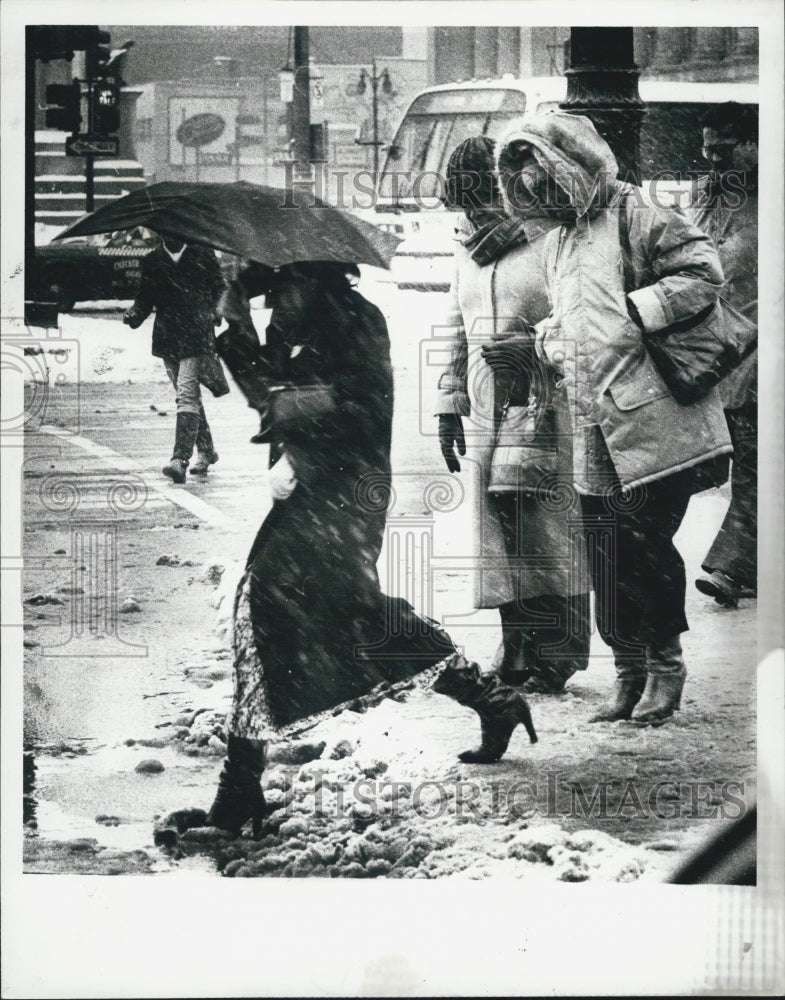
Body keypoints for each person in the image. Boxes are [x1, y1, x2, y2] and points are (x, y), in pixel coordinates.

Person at [204, 262, 538, 835]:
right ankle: (491, 699)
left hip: (347, 492)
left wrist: (296, 439)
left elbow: (363, 411)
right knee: (337, 613)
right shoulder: (295, 321)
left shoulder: (358, 321)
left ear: (316, 276)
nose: (273, 297)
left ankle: (239, 790)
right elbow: (268, 395)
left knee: (280, 607)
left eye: (280, 285)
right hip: (310, 491)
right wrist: (234, 328)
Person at [495, 112, 732, 725]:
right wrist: (549, 339)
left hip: (656, 423)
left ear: (572, 168)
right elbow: (569, 316)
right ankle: (627, 673)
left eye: (545, 182)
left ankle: (664, 667)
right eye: (527, 188)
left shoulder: (641, 216)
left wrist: (637, 309)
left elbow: (704, 274)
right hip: (591, 421)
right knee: (605, 551)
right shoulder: (559, 239)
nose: (538, 197)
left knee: (644, 545)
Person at [436, 136, 591, 695]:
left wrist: (535, 352)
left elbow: (582, 322)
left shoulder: (552, 240)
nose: (472, 214)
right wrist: (448, 402)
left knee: (550, 530)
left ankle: (561, 650)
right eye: (463, 203)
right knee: (499, 536)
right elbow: (456, 324)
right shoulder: (467, 249)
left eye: (479, 200)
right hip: (486, 410)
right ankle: (518, 644)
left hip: (550, 402)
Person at [689, 103, 758, 609]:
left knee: (756, 467)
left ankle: (732, 566)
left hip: (762, 357)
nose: (714, 160)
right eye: (708, 149)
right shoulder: (708, 196)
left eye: (726, 149)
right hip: (713, 358)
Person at [123, 236, 228, 482]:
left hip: (196, 336)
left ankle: (179, 460)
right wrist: (134, 314)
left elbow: (220, 288)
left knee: (186, 395)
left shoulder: (202, 254)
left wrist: (216, 310)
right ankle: (207, 450)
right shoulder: (152, 260)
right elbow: (146, 298)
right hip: (167, 338)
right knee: (188, 398)